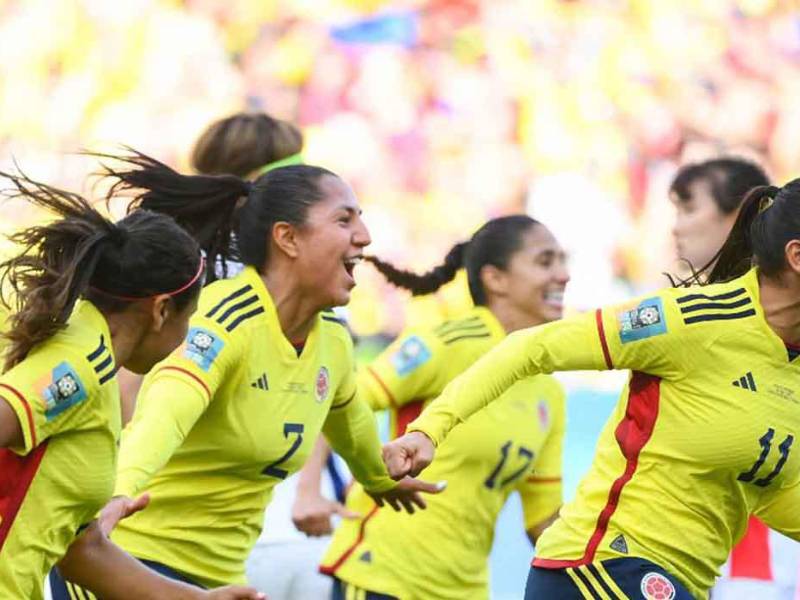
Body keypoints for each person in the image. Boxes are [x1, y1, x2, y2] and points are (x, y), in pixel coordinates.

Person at [383, 180, 800, 599]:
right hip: (603, 565)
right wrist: (429, 430)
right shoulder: (691, 322)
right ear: (796, 257)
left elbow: (774, 491)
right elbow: (531, 348)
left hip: (674, 581)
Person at [49, 151, 441, 596]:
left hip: (220, 578)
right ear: (288, 238)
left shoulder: (331, 340)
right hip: (127, 564)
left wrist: (380, 477)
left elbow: (352, 427)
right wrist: (121, 491)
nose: (365, 237)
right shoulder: (226, 321)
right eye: (344, 220)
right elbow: (164, 414)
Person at [0, 169, 262, 600]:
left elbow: (83, 550)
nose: (187, 335)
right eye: (189, 318)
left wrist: (198, 598)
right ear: (161, 311)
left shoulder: (95, 359)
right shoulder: (79, 363)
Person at [305, 215, 569, 599]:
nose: (563, 275)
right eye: (545, 262)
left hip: (464, 590)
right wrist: (309, 491)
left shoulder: (549, 392)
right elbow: (337, 401)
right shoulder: (446, 344)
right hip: (382, 577)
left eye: (563, 261)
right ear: (496, 279)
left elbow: (543, 519)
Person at [192, 110, 352, 600]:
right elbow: (320, 391)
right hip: (290, 532)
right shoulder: (296, 272)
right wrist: (309, 490)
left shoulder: (180, 270)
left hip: (206, 537)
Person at [670, 157, 798, 599]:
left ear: (739, 214)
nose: (676, 227)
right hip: (695, 563)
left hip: (757, 572)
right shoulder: (692, 317)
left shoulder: (773, 323)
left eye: (689, 208)